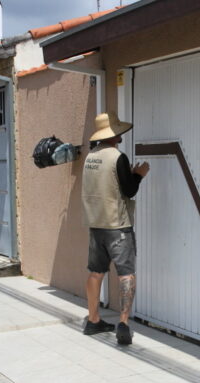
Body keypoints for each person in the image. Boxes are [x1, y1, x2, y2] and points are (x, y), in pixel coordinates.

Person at [81, 112, 150, 345]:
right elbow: (129, 190)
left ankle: (93, 319)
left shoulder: (91, 156)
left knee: (95, 272)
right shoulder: (117, 157)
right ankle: (123, 323)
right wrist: (138, 175)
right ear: (114, 135)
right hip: (118, 225)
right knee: (126, 273)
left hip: (96, 223)